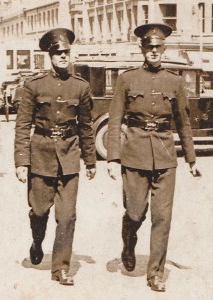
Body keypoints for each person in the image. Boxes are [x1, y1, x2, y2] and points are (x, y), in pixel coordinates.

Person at [107, 23, 201, 292]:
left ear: (164, 49)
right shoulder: (127, 79)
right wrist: (113, 157)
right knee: (135, 212)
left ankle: (155, 273)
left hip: (164, 155)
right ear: (142, 49)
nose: (154, 51)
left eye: (158, 47)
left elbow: (183, 123)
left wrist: (191, 159)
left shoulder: (175, 81)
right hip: (134, 153)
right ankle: (129, 239)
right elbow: (115, 120)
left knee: (163, 217)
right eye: (149, 47)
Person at [14, 28, 96, 285]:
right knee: (39, 211)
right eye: (58, 52)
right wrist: (21, 161)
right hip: (41, 154)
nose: (63, 56)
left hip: (69, 155)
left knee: (67, 215)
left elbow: (85, 126)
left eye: (66, 52)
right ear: (50, 55)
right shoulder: (34, 85)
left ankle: (60, 267)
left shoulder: (80, 86)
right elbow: (22, 125)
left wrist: (91, 160)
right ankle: (37, 241)